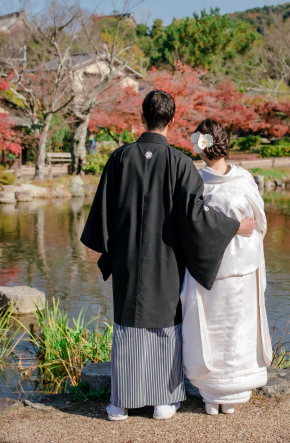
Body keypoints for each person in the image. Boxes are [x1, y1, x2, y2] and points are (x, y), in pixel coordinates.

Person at [80, 90, 256, 422]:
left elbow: (102, 216)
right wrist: (233, 226)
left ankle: (121, 404)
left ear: (142, 117)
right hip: (166, 260)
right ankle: (163, 401)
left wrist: (112, 251)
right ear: (172, 121)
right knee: (165, 324)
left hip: (128, 260)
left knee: (128, 324)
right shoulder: (180, 164)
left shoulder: (119, 158)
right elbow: (197, 219)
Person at [181, 118, 272, 415]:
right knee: (235, 329)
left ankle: (214, 394)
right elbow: (259, 223)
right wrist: (238, 228)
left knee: (214, 329)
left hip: (210, 267)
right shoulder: (244, 179)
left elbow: (190, 228)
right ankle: (229, 396)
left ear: (202, 148)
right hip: (241, 266)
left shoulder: (196, 180)